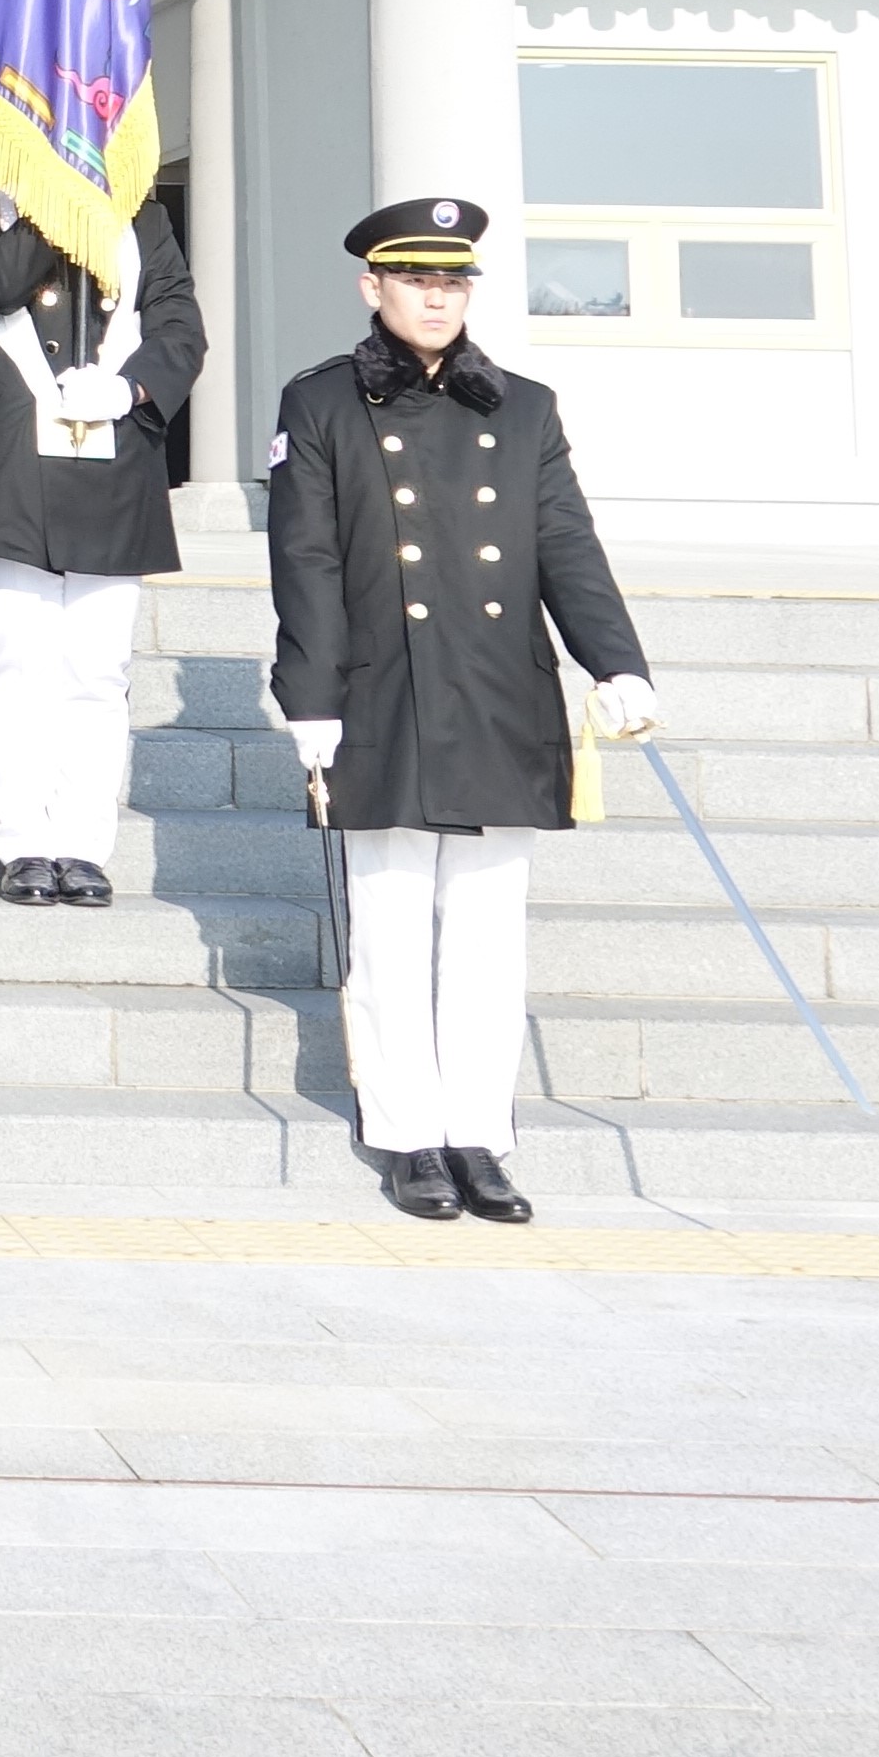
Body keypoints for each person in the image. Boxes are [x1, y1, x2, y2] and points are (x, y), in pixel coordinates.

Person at [270, 197, 660, 1226]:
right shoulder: (320, 404)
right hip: (381, 692)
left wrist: (615, 663)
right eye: (415, 280)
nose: (436, 298)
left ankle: (480, 1132)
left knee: (489, 933)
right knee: (394, 929)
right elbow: (304, 563)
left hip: (497, 687)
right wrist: (309, 699)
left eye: (453, 283)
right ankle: (406, 1132)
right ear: (374, 288)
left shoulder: (524, 407)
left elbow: (565, 543)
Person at [0, 163, 203, 908]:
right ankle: (24, 841)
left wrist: (133, 386)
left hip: (109, 460)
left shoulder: (140, 217)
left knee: (98, 668)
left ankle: (82, 842)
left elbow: (179, 323)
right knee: (23, 659)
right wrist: (56, 205)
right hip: (12, 468)